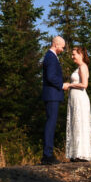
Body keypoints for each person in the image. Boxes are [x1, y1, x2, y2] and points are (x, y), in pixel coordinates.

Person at [63, 46, 91, 162]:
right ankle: (76, 153)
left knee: (80, 122)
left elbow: (84, 85)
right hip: (74, 99)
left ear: (81, 55)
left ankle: (82, 154)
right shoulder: (78, 68)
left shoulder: (82, 67)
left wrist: (69, 85)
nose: (72, 57)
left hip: (80, 99)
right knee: (75, 122)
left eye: (74, 54)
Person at [40, 36, 65, 165]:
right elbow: (50, 77)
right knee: (51, 124)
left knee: (51, 123)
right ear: (56, 45)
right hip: (52, 95)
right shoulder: (50, 57)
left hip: (52, 95)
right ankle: (47, 155)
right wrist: (61, 85)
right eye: (62, 47)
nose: (63, 49)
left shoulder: (51, 57)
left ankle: (48, 153)